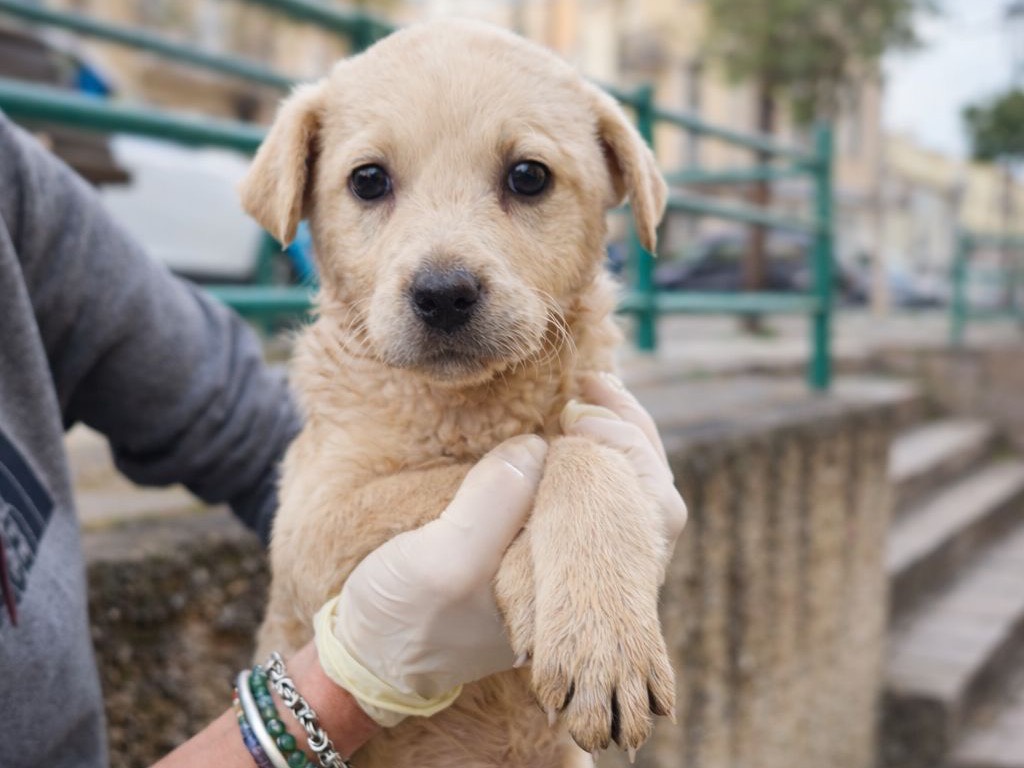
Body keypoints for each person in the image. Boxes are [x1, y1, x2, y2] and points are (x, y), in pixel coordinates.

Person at [0, 112, 686, 767]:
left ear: (619, 183)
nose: (442, 273)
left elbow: (242, 424)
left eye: (528, 178)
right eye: (370, 183)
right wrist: (552, 519)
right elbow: (319, 532)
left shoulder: (16, 192)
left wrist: (588, 485)